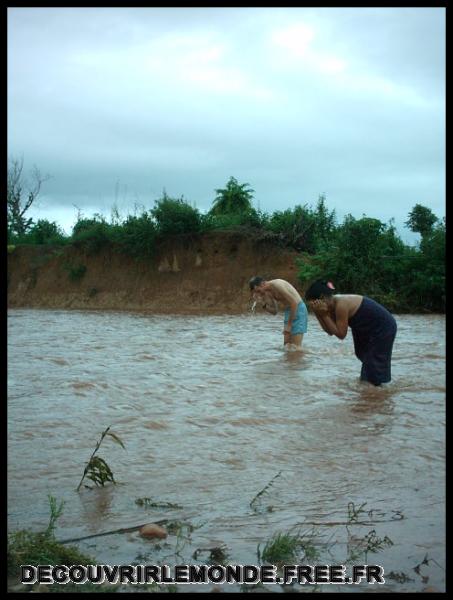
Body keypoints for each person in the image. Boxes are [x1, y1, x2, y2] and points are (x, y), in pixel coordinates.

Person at [304, 280, 397, 385]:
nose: (312, 307)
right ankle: (375, 386)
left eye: (313, 304)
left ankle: (375, 389)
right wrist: (319, 313)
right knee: (362, 354)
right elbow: (330, 331)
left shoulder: (341, 305)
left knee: (373, 360)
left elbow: (341, 334)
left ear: (322, 298)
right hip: (364, 327)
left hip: (383, 326)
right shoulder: (329, 307)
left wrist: (324, 315)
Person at [249, 276, 308, 349]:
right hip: (289, 311)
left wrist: (289, 325)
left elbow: (294, 303)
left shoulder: (277, 284)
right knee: (287, 346)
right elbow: (275, 312)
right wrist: (263, 304)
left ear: (263, 284)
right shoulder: (267, 292)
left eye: (258, 291)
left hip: (298, 309)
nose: (259, 293)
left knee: (296, 347)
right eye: (256, 292)